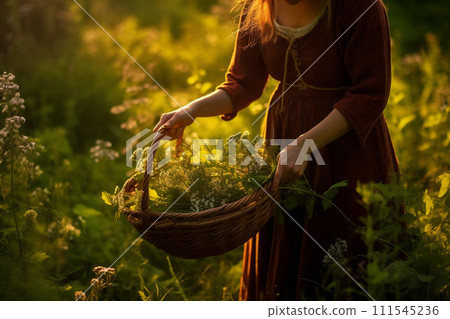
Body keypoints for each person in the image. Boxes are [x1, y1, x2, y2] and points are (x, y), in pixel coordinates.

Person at [153, 0, 400, 300]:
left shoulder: (361, 8)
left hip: (346, 146)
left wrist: (307, 143)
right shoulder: (256, 8)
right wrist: (190, 111)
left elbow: (369, 94)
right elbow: (243, 84)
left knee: (346, 250)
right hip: (283, 135)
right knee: (285, 244)